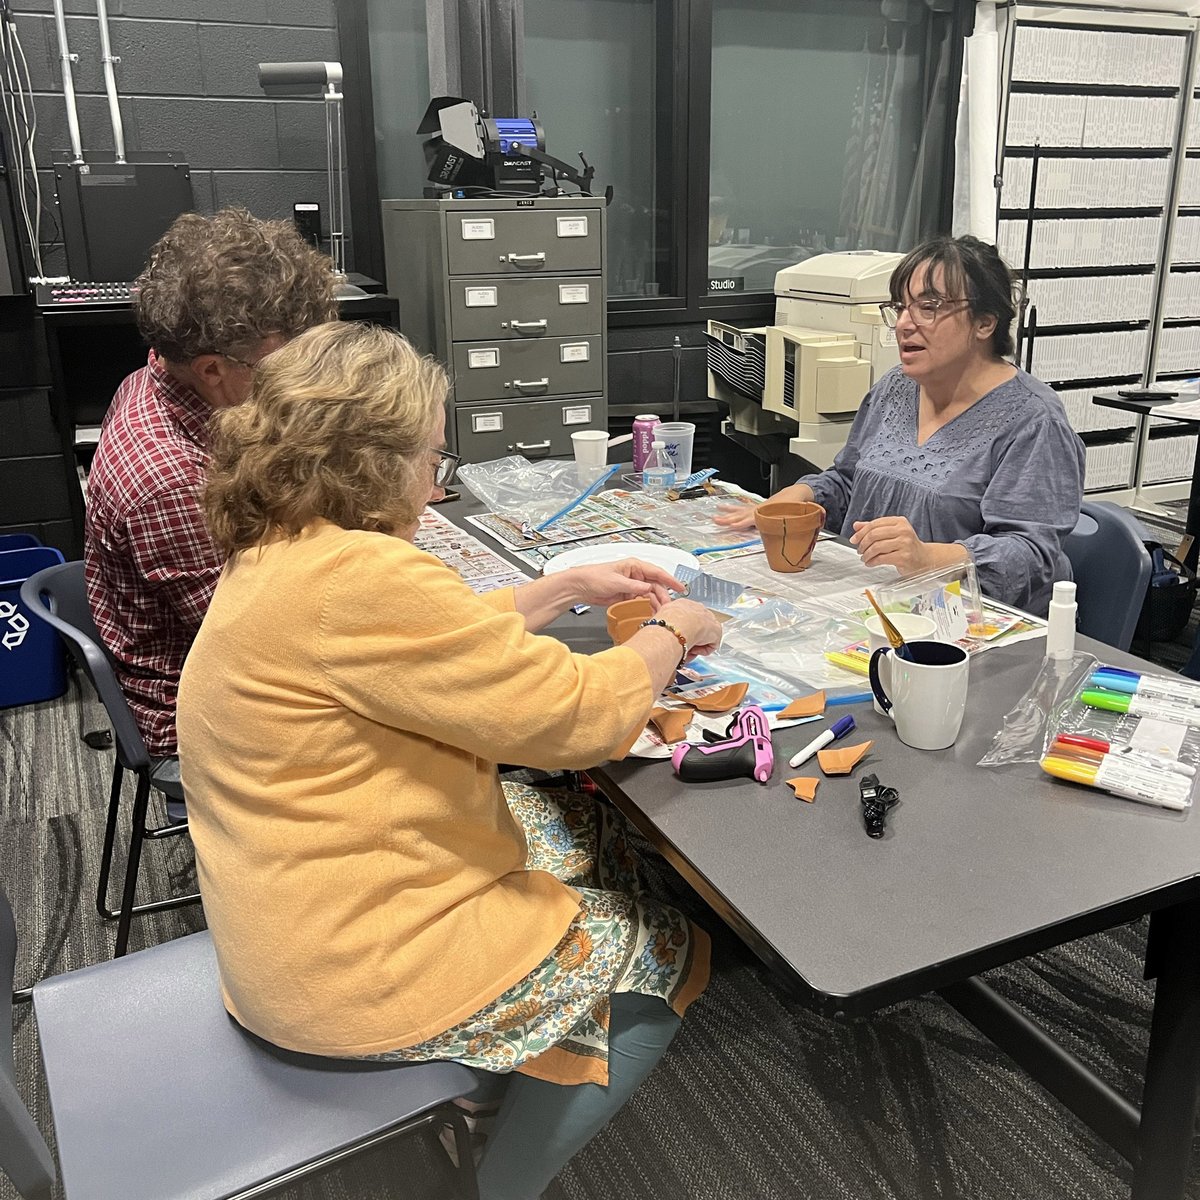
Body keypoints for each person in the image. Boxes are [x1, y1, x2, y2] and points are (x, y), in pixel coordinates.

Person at [175, 321, 722, 1200]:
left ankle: (496, 1077)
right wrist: (674, 630)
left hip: (284, 925)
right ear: (371, 462)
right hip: (346, 974)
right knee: (658, 954)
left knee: (569, 821)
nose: (437, 485)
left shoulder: (286, 546)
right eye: (433, 460)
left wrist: (560, 588)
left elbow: (417, 647)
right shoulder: (361, 576)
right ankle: (497, 1187)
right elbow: (581, 718)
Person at [85, 207, 338, 771]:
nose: (304, 377)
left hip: (236, 654)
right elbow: (267, 641)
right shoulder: (169, 480)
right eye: (284, 363)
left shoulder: (164, 377)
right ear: (212, 369)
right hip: (206, 717)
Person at [715, 235, 1085, 616]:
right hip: (877, 603)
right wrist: (802, 496)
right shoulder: (897, 388)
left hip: (968, 626)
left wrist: (927, 558)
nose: (905, 324)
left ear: (985, 322)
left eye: (929, 307)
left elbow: (1029, 555)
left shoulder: (1032, 420)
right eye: (901, 308)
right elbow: (848, 481)